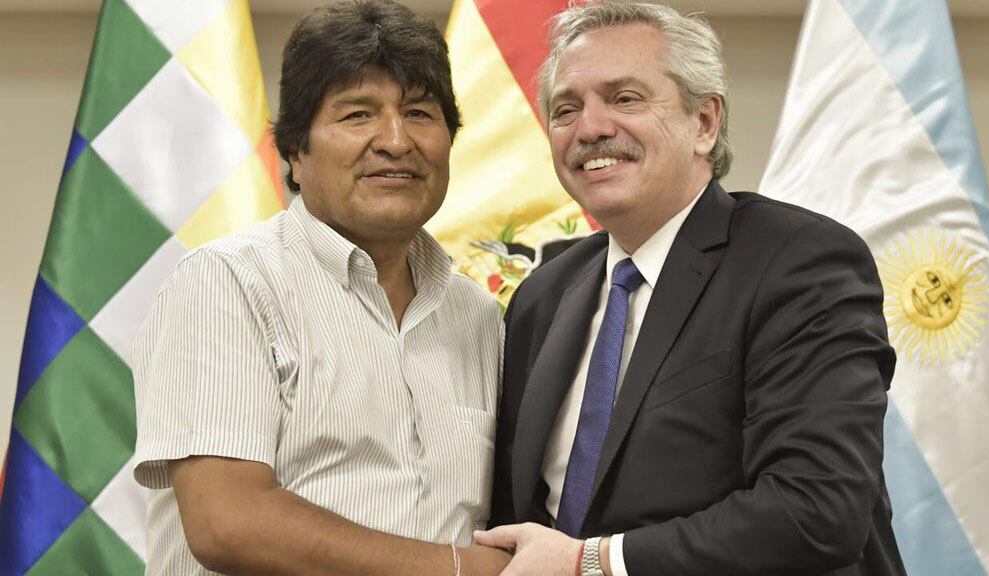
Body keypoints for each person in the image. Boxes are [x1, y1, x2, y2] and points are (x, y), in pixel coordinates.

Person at [476, 3, 907, 575]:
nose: (591, 128)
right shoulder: (542, 296)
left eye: (625, 98)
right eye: (566, 109)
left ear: (704, 123)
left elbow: (817, 509)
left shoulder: (799, 262)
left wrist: (593, 562)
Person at [131, 1, 509, 574]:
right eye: (357, 115)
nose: (396, 141)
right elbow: (227, 523)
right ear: (296, 151)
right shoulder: (227, 283)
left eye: (419, 113)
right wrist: (459, 569)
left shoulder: (478, 315)